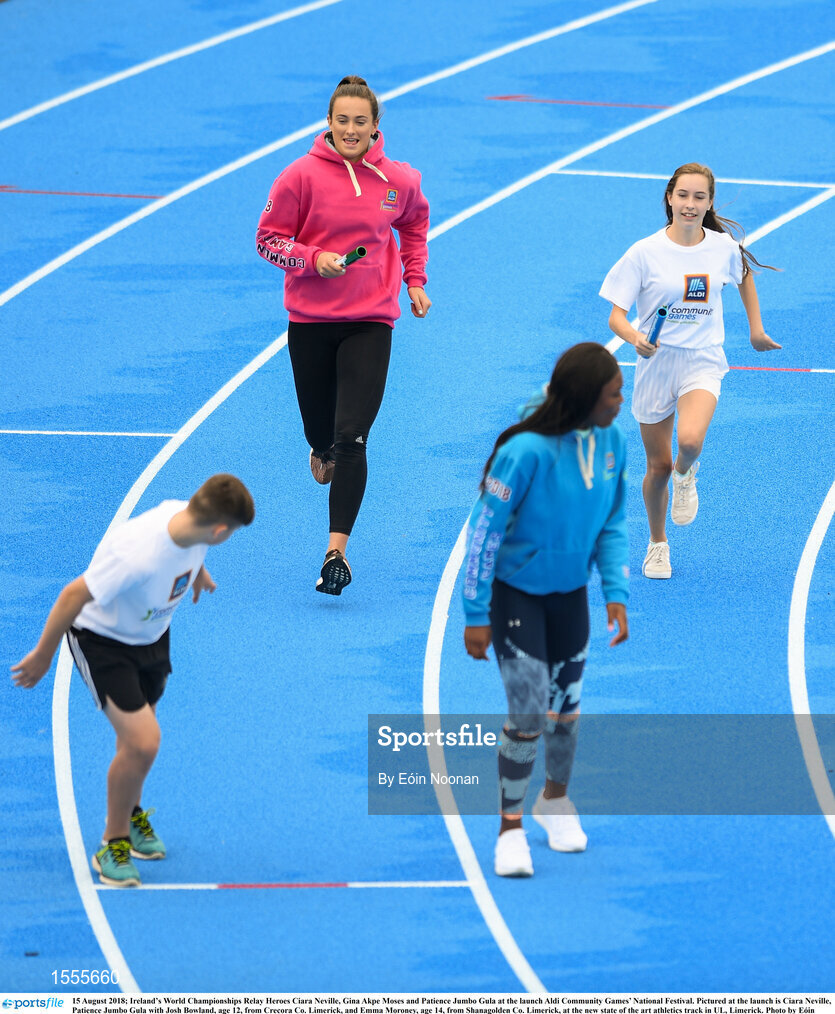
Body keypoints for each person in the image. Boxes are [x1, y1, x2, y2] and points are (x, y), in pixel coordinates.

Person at [11, 474, 255, 887]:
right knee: (144, 742)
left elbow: (191, 552)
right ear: (219, 529)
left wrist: (198, 575)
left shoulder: (190, 517)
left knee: (135, 746)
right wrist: (44, 655)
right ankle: (113, 841)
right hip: (104, 643)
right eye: (229, 533)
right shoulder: (138, 554)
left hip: (152, 638)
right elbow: (73, 595)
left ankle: (130, 811)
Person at [256, 74, 431, 596]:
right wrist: (315, 260)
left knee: (352, 435)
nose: (351, 130)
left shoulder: (399, 179)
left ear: (375, 126)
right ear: (328, 124)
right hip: (310, 322)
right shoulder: (299, 177)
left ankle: (336, 553)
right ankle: (320, 447)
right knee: (323, 432)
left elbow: (414, 226)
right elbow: (267, 241)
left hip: (370, 321)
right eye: (342, 120)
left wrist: (414, 280)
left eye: (360, 121)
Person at [462, 343, 629, 878]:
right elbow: (484, 532)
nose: (621, 402)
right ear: (584, 398)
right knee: (530, 712)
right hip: (517, 597)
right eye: (613, 394)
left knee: (566, 711)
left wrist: (616, 593)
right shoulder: (526, 451)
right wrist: (475, 612)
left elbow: (612, 524)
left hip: (570, 597)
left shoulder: (612, 443)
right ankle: (510, 830)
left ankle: (554, 802)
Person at [600, 162, 780, 579]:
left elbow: (744, 276)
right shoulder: (643, 252)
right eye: (683, 195)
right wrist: (634, 339)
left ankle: (688, 473)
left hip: (702, 358)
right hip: (655, 364)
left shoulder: (721, 247)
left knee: (691, 441)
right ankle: (657, 544)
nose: (690, 204)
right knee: (656, 466)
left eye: (699, 197)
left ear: (710, 202)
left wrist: (756, 329)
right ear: (669, 197)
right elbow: (616, 317)